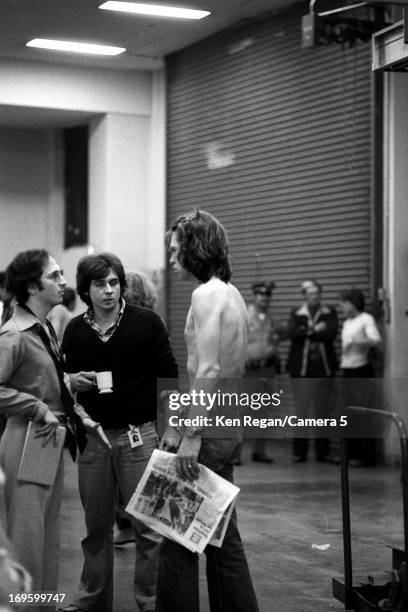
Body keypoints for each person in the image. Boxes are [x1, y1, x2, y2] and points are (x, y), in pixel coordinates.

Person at [60, 253, 178, 612]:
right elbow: (62, 379)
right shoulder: (76, 331)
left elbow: (168, 378)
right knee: (97, 529)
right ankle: (92, 601)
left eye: (114, 282)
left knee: (149, 530)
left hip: (139, 438)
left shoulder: (147, 323)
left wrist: (172, 426)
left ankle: (151, 603)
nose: (109, 290)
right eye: (100, 284)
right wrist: (71, 381)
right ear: (86, 289)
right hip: (94, 441)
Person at [157, 209, 259, 612]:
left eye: (175, 250)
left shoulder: (205, 295)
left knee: (179, 536)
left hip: (209, 427)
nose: (170, 259)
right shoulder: (232, 294)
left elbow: (209, 369)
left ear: (193, 250)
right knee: (220, 536)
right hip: (228, 421)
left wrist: (190, 434)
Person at [0, 249, 88, 612]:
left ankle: (42, 606)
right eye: (55, 275)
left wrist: (67, 383)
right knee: (28, 536)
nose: (64, 282)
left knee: (48, 534)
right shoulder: (13, 335)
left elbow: (36, 378)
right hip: (28, 437)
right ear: (33, 285)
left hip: (49, 436)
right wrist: (36, 407)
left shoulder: (44, 328)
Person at [113, 270, 159, 546]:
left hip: (128, 407)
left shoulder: (124, 325)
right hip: (148, 407)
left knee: (122, 470)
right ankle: (140, 525)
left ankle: (126, 524)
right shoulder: (155, 322)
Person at [286, 280, 338, 463]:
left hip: (323, 370)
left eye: (317, 293)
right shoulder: (296, 313)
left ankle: (322, 453)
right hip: (300, 371)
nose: (314, 296)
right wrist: (315, 329)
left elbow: (331, 333)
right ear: (304, 296)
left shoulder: (329, 313)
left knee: (322, 412)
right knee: (301, 411)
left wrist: (306, 331)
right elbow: (293, 334)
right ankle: (299, 452)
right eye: (310, 293)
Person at [340, 288, 381, 466]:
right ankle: (350, 453)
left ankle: (365, 456)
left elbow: (376, 340)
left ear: (352, 303)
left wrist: (360, 341)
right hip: (348, 369)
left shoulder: (366, 319)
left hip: (361, 369)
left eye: (344, 302)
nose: (342, 306)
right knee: (349, 414)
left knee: (362, 413)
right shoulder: (347, 322)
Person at [244, 280, 283, 464]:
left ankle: (259, 451)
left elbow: (276, 338)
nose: (264, 299)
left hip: (267, 369)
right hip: (249, 370)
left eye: (267, 296)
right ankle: (235, 454)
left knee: (263, 412)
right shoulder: (245, 315)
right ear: (255, 296)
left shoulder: (271, 318)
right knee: (243, 412)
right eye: (261, 295)